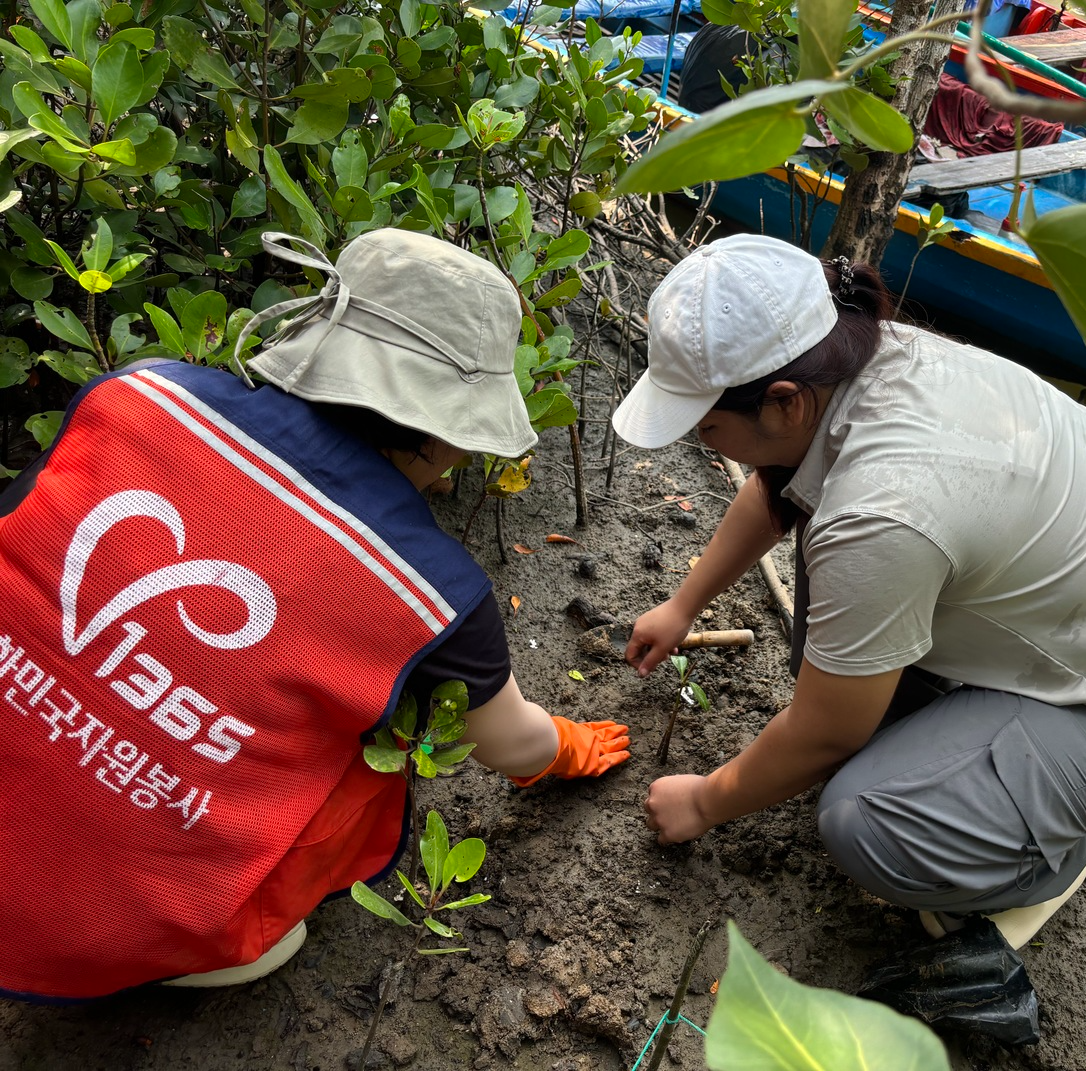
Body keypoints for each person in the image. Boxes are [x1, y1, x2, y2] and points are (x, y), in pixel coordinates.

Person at [0, 229, 629, 1002]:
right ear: (446, 431)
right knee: (372, 766)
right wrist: (567, 745)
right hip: (104, 929)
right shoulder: (432, 587)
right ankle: (194, 941)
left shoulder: (136, 394)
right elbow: (505, 741)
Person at [612, 234, 1086, 951]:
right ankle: (992, 782)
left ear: (786, 401)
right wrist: (682, 604)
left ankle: (1045, 858)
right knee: (834, 637)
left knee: (862, 819)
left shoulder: (882, 507)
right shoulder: (864, 360)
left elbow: (828, 732)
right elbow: (777, 486)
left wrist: (704, 800)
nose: (705, 443)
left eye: (708, 427)